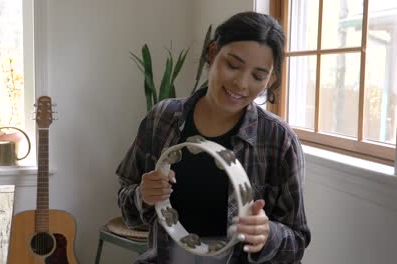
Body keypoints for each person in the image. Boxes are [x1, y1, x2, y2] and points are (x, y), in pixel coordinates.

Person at [117, 11, 311, 264]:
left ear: (271, 78)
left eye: (258, 75)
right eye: (233, 65)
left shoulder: (277, 138)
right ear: (212, 53)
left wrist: (267, 234)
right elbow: (126, 203)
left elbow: (297, 242)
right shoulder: (161, 118)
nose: (241, 83)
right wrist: (142, 194)